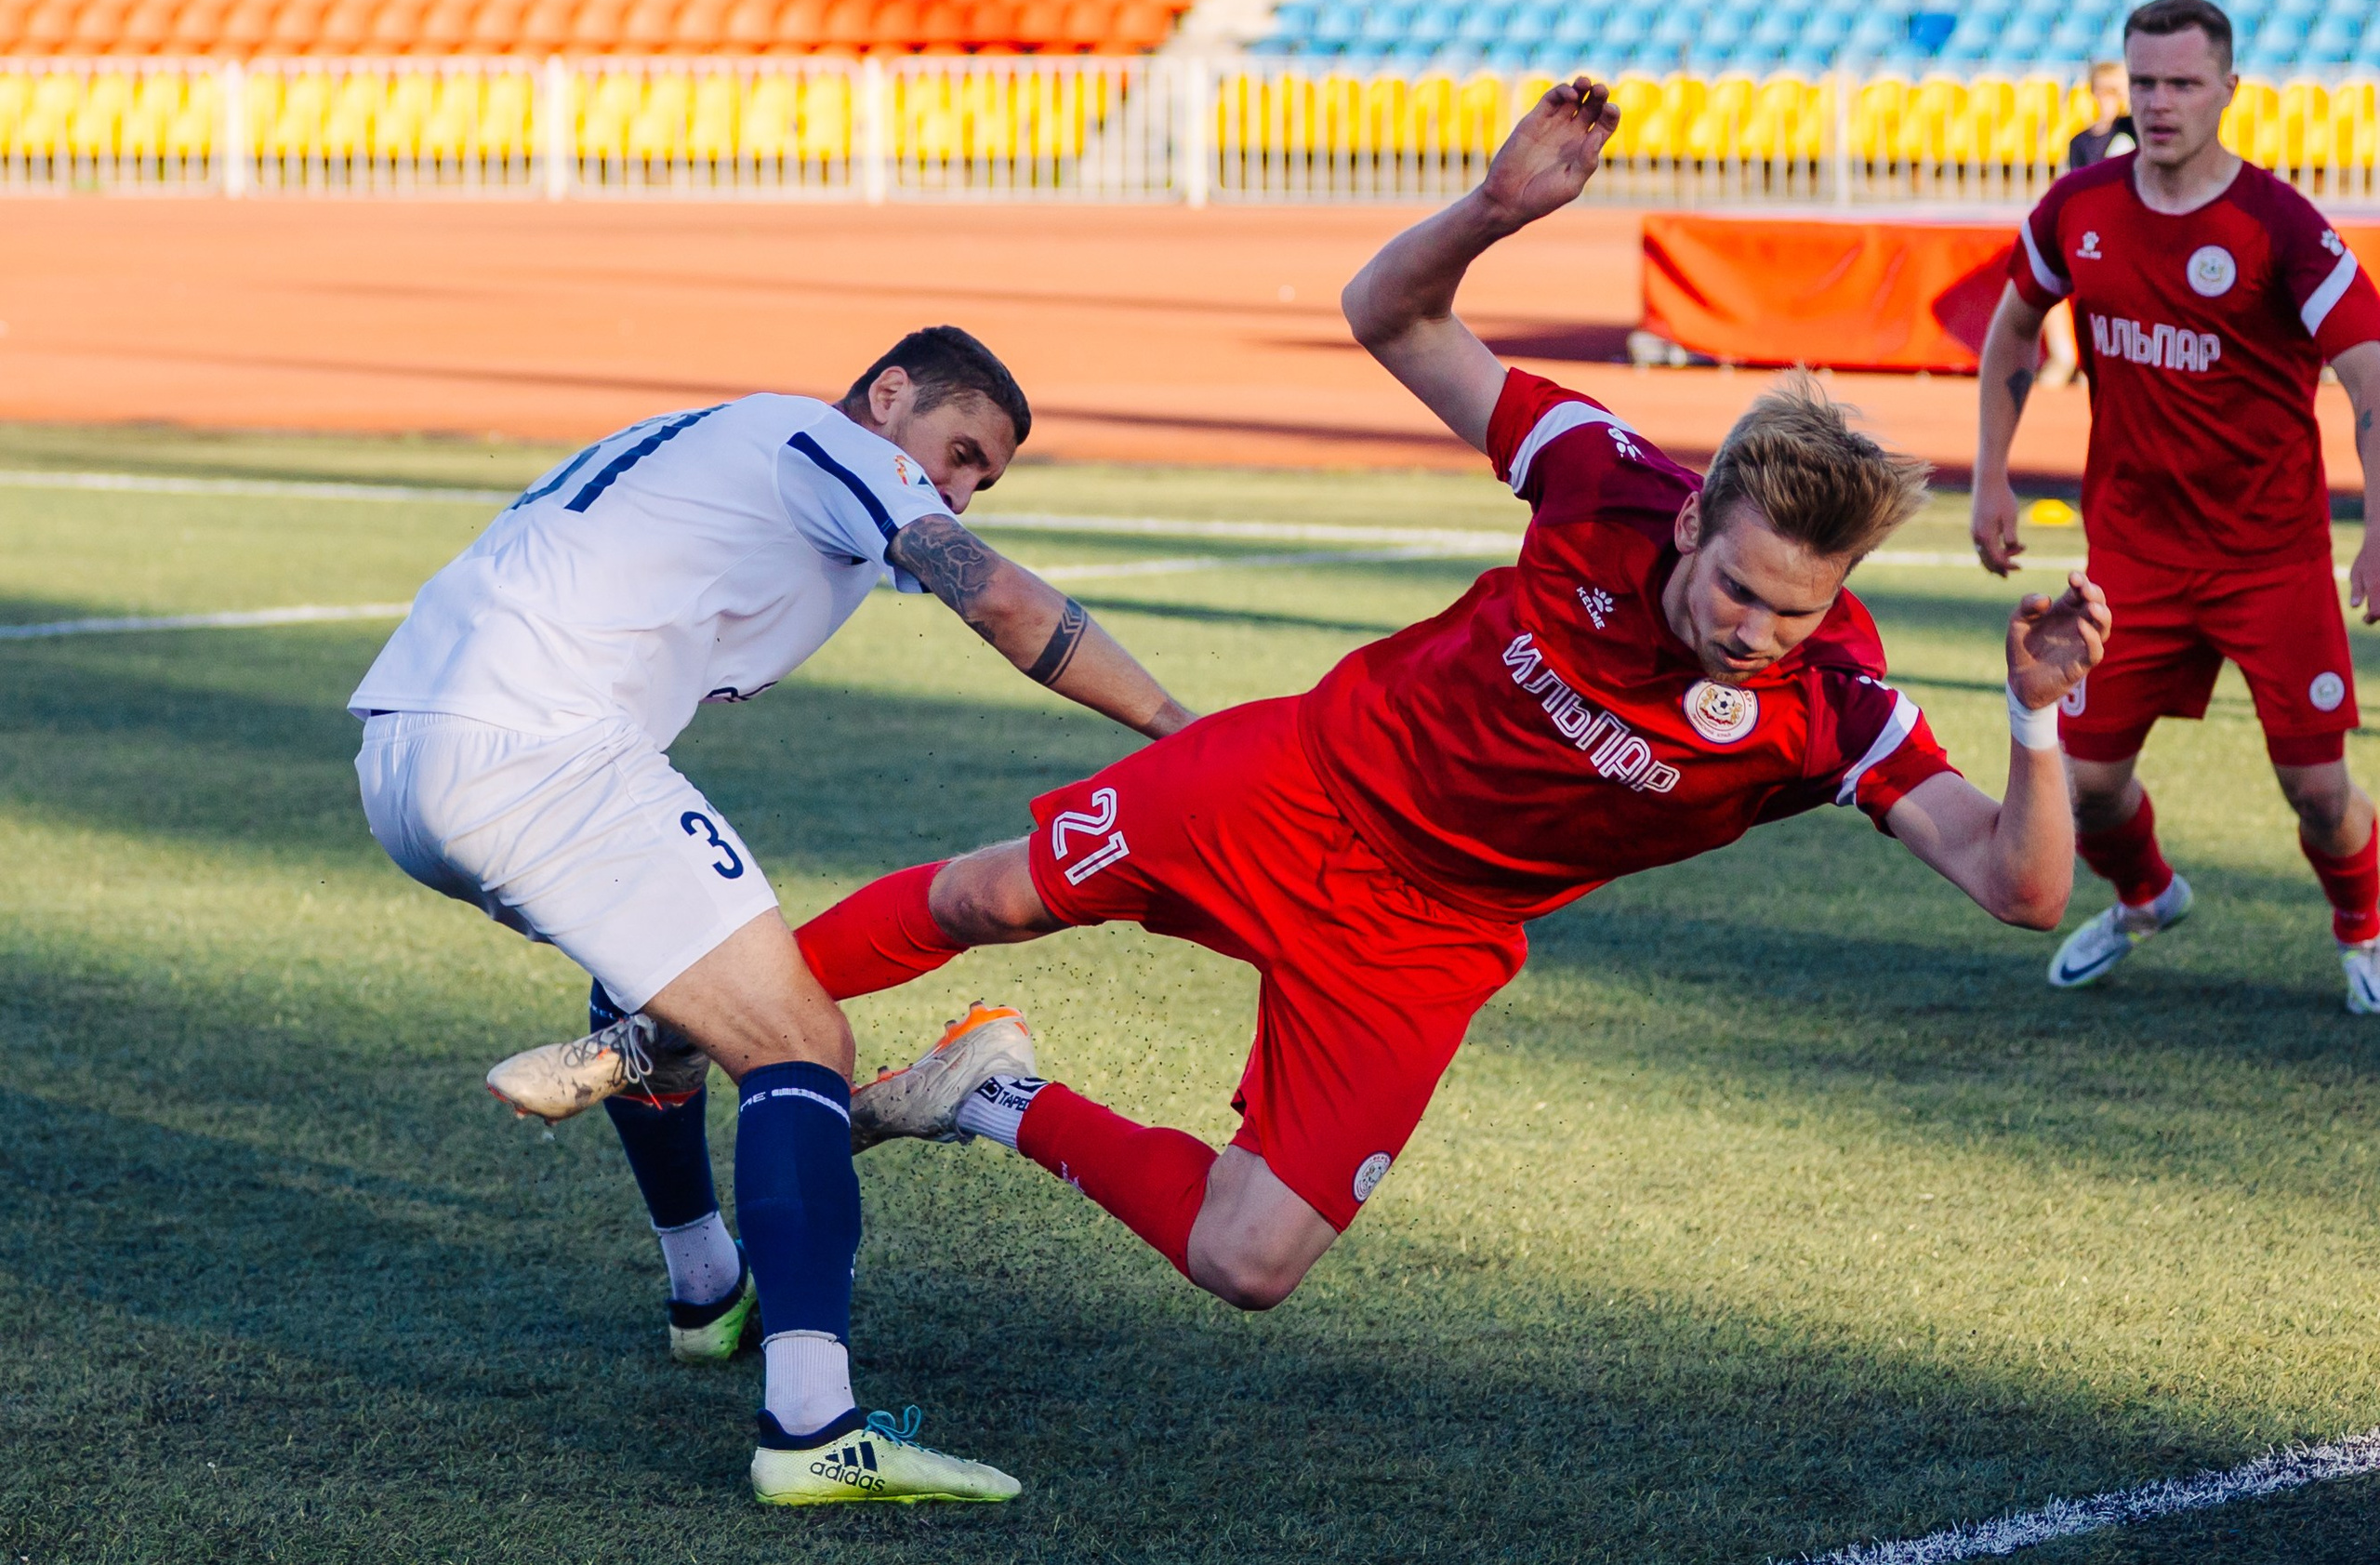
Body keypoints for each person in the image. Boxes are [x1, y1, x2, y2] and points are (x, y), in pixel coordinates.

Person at [509, 81, 2110, 1319]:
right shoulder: (1602, 483)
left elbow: (2017, 885)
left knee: (1252, 1259)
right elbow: (1393, 319)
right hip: (1307, 777)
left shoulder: (1832, 704)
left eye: (1798, 612)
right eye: (1742, 593)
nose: (1759, 634)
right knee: (993, 890)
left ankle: (987, 1094)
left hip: (1431, 937)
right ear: (1693, 522)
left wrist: (2036, 716)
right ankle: (659, 1022)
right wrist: (1491, 206)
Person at [350, 326, 1193, 1505]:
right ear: (887, 394)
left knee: (670, 979)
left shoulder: (752, 448)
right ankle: (813, 1425)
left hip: (409, 756)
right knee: (798, 1040)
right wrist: (1184, 733)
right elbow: (996, 597)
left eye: (977, 478)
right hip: (532, 746)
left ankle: (707, 1288)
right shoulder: (827, 440)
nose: (951, 487)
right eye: (954, 451)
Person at [1972, 0, 2380, 1007]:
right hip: (2132, 556)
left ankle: (2364, 929)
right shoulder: (2079, 206)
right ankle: (2147, 896)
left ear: (2226, 92)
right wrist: (1990, 473)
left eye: (2181, 84)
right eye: (2143, 82)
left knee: (2320, 792)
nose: (2158, 104)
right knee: (2089, 782)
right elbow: (2013, 331)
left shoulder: (2278, 226)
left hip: (2269, 556)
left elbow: (2372, 381)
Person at [2043, 61, 2142, 387]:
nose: (2111, 98)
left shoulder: (2134, 129)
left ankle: (2104, 362)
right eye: (2105, 90)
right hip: (2095, 230)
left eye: (2118, 90)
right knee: (2048, 277)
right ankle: (2064, 357)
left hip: (2132, 230)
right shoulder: (2081, 142)